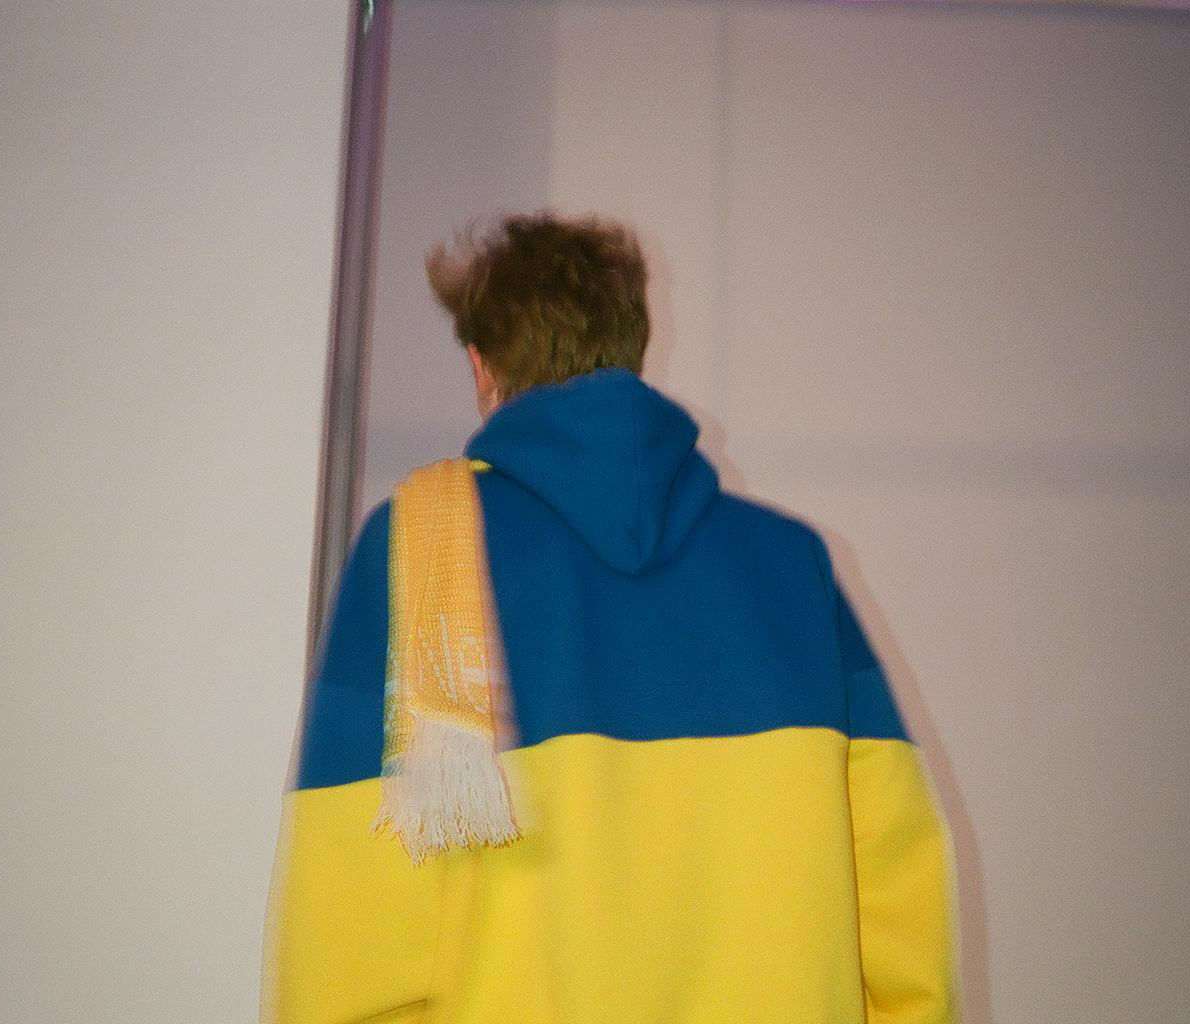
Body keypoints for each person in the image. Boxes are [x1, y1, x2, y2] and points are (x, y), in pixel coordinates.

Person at [261, 211, 958, 1024]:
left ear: (482, 366)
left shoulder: (423, 551)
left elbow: (350, 909)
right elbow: (897, 898)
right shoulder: (791, 565)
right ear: (632, 349)